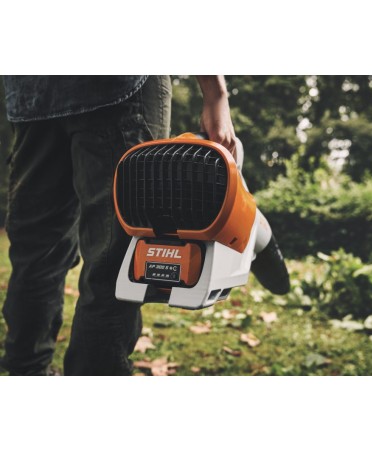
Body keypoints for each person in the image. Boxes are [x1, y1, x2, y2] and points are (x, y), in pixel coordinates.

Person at [0, 75, 236, 376]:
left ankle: (26, 373)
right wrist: (216, 94)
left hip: (32, 95)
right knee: (118, 257)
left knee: (37, 253)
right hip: (115, 89)